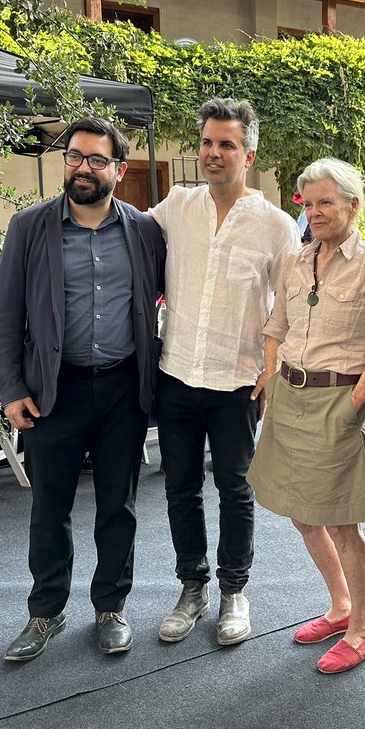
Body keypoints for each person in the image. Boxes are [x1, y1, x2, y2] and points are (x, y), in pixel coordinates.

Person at [0, 116, 165, 662]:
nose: (82, 168)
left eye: (96, 159)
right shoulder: (29, 227)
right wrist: (12, 388)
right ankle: (45, 611)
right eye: (74, 156)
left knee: (119, 505)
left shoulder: (145, 231)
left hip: (122, 388)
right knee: (49, 508)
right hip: (53, 389)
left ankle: (111, 607)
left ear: (120, 169)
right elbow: (6, 316)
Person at [149, 98, 299, 647]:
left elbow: (292, 304)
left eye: (227, 144)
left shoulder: (276, 226)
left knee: (235, 489)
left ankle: (235, 590)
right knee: (180, 488)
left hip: (238, 380)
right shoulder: (176, 206)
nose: (214, 153)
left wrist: (274, 368)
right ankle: (192, 588)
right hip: (175, 373)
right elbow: (123, 240)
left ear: (248, 155)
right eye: (208, 142)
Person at [247, 158, 365, 673]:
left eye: (326, 202)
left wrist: (355, 404)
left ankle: (363, 627)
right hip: (288, 396)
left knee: (340, 520)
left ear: (353, 204)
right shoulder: (296, 260)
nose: (315, 212)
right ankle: (340, 606)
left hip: (336, 401)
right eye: (308, 203)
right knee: (302, 515)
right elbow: (276, 327)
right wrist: (271, 377)